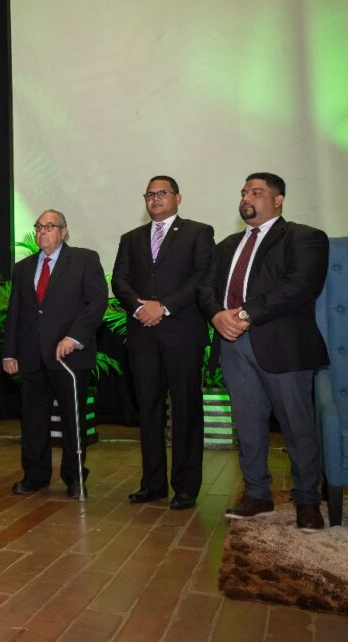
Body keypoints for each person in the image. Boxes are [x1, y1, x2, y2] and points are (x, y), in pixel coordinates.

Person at [199, 172, 329, 531]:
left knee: (297, 425)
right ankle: (257, 495)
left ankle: (307, 501)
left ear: (278, 199)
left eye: (256, 192)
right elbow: (205, 288)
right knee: (249, 425)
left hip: (282, 345)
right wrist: (216, 315)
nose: (246, 198)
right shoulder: (225, 245)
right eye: (243, 192)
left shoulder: (305, 238)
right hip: (232, 346)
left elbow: (300, 285)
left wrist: (243, 314)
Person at [112, 176, 214, 510]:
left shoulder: (199, 232)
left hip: (181, 334)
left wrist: (164, 306)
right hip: (143, 335)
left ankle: (186, 487)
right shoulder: (131, 238)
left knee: (185, 410)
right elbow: (120, 280)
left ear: (178, 198)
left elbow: (201, 278)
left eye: (162, 193)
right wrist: (141, 308)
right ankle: (152, 483)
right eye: (150, 194)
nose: (155, 199)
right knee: (150, 412)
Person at [3, 210, 107, 498]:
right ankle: (35, 475)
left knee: (73, 420)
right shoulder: (23, 268)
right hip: (31, 356)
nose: (42, 232)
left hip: (69, 356)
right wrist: (10, 352)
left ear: (64, 231)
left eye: (49, 227)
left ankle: (75, 478)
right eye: (38, 227)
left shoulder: (85, 260)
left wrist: (74, 337)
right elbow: (15, 312)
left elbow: (97, 302)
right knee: (34, 419)